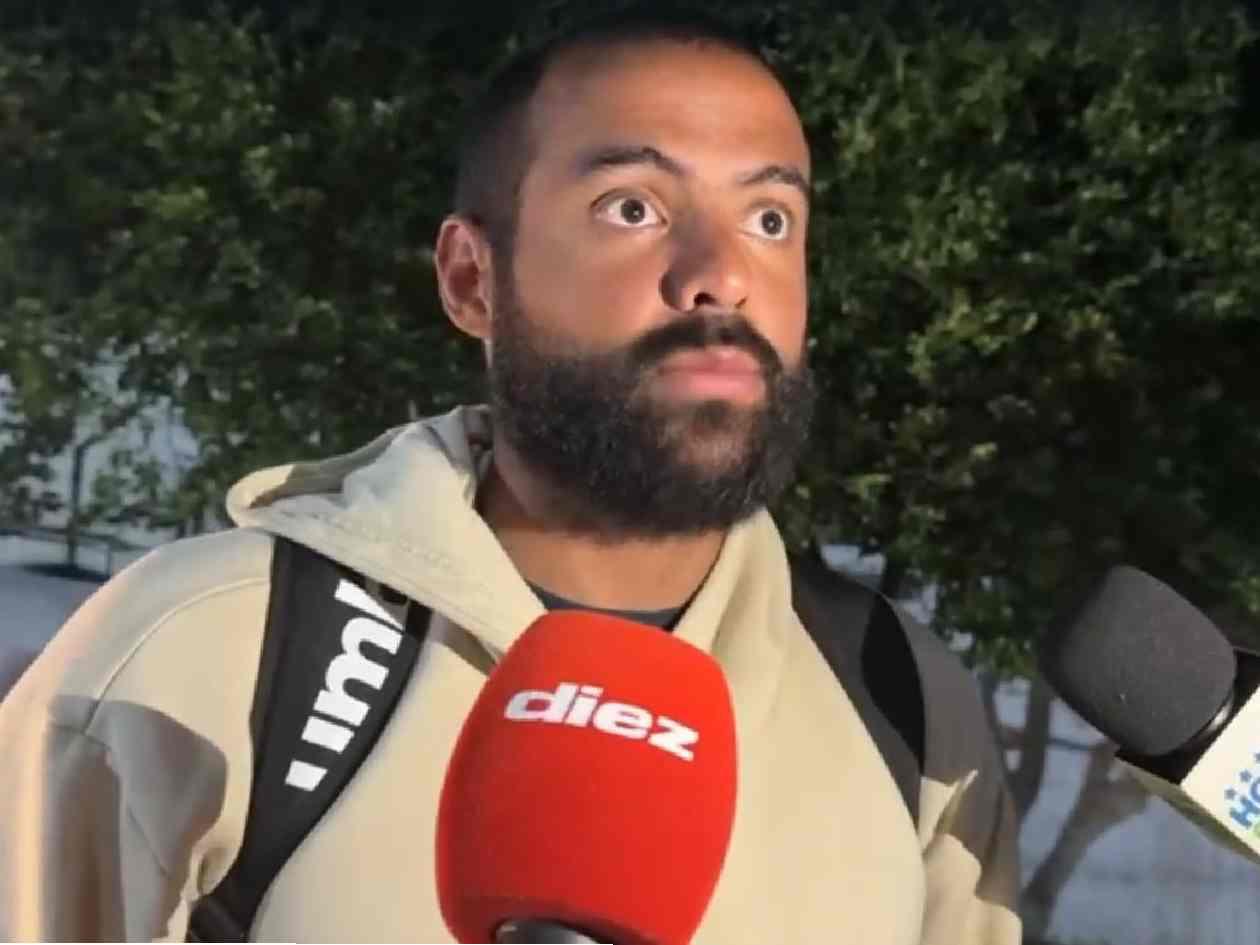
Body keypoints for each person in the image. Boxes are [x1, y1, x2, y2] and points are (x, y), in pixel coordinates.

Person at [0, 6, 1022, 942]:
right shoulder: (193, 655)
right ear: (471, 279)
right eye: (633, 207)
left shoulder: (908, 705)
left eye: (770, 219)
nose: (722, 274)